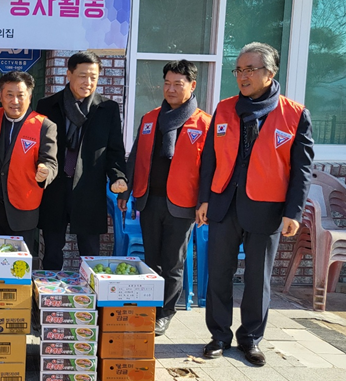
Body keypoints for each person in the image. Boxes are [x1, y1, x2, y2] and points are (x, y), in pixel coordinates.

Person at [198, 43, 314, 366]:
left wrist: (293, 212)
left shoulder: (294, 114)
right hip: (224, 204)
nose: (242, 76)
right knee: (218, 273)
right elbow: (209, 158)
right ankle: (219, 336)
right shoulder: (224, 109)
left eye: (250, 69)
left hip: (267, 208)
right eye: (239, 69)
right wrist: (204, 199)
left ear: (270, 73)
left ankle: (250, 339)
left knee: (257, 278)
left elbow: (302, 169)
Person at [118, 60, 211, 336]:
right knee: (151, 259)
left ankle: (166, 312)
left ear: (192, 86)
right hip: (149, 201)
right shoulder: (150, 118)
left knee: (173, 262)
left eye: (178, 84)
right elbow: (135, 157)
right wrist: (127, 191)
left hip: (182, 204)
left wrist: (205, 202)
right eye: (167, 83)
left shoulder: (204, 123)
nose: (171, 89)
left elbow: (210, 168)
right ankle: (151, 307)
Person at [36, 51, 128, 270]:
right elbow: (39, 147)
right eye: (82, 76)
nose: (88, 82)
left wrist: (118, 177)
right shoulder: (47, 106)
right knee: (52, 252)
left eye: (93, 77)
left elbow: (114, 150)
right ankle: (49, 291)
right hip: (55, 187)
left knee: (90, 253)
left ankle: (91, 291)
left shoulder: (107, 109)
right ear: (69, 74)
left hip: (89, 189)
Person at [0, 71, 58, 252]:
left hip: (22, 210)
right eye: (9, 95)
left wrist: (45, 171)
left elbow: (50, 162)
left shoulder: (44, 125)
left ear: (29, 97)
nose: (14, 101)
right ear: (1, 96)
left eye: (20, 95)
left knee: (18, 264)